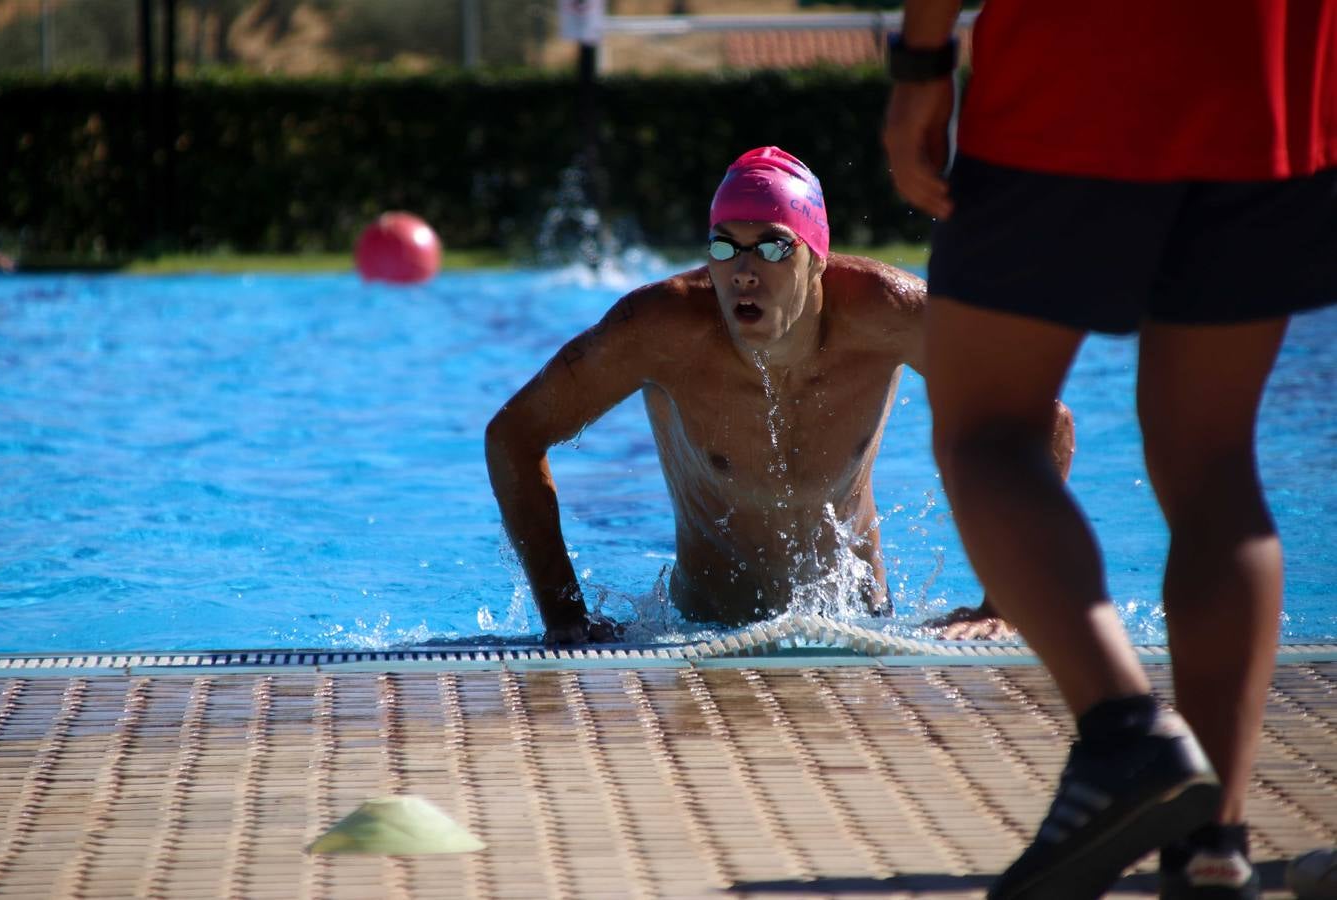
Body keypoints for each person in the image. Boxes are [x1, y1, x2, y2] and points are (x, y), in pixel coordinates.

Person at [883, 2, 1336, 899]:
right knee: (1215, 461)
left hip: (1075, 65)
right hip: (1274, 81)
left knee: (987, 430)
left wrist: (922, 64)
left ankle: (1127, 731)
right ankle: (1212, 845)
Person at [486, 146, 1073, 646]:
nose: (744, 271)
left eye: (772, 247)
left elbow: (1047, 423)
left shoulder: (889, 315)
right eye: (725, 247)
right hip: (700, 632)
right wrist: (564, 615)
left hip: (860, 626)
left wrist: (1002, 605)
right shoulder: (659, 330)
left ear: (817, 258)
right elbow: (514, 434)